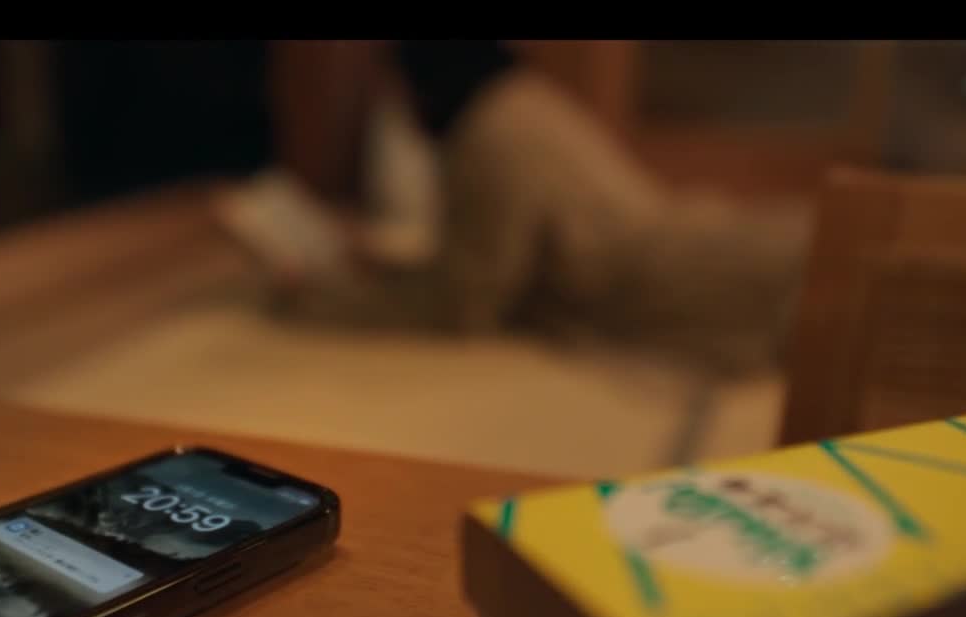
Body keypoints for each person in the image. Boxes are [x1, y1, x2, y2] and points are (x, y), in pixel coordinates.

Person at [217, 42, 811, 375]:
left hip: (699, 281)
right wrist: (381, 267)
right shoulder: (522, 97)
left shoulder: (484, 135)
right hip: (711, 235)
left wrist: (314, 297)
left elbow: (464, 301)